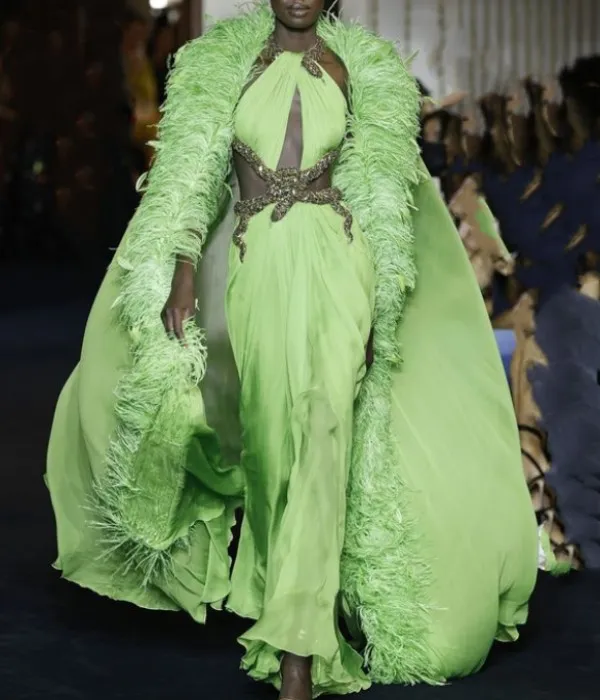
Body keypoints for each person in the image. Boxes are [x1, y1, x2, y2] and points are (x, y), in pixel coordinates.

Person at [46, 3, 539, 699]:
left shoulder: (359, 69)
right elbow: (189, 174)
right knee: (274, 445)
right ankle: (293, 604)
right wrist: (182, 270)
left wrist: (380, 303)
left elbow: (382, 195)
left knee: (323, 429)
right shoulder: (226, 64)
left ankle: (300, 654)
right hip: (258, 269)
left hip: (341, 263)